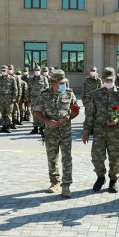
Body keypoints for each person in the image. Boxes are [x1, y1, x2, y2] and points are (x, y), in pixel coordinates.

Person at [82, 67, 119, 193]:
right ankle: (100, 177)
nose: (108, 81)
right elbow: (90, 114)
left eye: (111, 79)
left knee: (116, 158)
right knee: (97, 157)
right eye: (106, 79)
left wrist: (118, 120)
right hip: (99, 131)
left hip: (115, 132)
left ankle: (113, 180)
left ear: (115, 79)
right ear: (102, 79)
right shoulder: (97, 94)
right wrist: (86, 131)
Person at [33, 70, 80, 198]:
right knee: (52, 158)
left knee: (67, 158)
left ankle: (66, 185)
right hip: (51, 132)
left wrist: (68, 118)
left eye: (64, 83)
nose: (63, 85)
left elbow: (76, 110)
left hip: (66, 132)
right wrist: (47, 121)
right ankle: (55, 182)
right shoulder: (44, 95)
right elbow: (36, 112)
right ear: (53, 83)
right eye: (60, 83)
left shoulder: (69, 93)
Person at [0, 65, 17, 133]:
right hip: (1, 98)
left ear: (7, 71)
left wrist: (14, 98)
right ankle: (3, 126)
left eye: (4, 70)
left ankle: (8, 126)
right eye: (2, 70)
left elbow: (15, 89)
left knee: (8, 113)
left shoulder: (12, 78)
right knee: (2, 113)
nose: (3, 72)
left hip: (9, 99)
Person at [28, 66, 49, 134]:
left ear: (40, 71)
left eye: (38, 70)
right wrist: (28, 98)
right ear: (34, 71)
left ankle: (42, 127)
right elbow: (28, 89)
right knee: (34, 113)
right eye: (35, 70)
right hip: (33, 99)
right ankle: (35, 127)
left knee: (41, 113)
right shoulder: (30, 79)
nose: (37, 71)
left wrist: (46, 98)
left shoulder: (44, 78)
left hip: (41, 99)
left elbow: (47, 88)